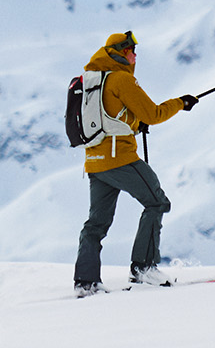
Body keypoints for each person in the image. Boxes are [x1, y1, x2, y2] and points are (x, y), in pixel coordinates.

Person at [74, 32, 198, 295]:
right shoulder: (121, 79)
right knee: (156, 202)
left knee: (96, 223)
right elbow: (153, 114)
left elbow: (110, 115)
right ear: (118, 53)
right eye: (131, 51)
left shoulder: (93, 79)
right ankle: (144, 267)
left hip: (94, 162)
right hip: (120, 159)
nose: (135, 55)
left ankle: (85, 281)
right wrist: (181, 103)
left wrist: (132, 123)